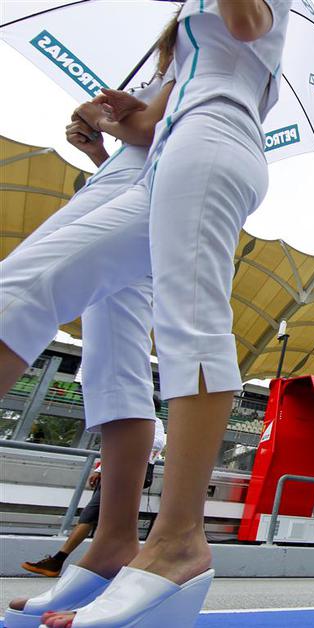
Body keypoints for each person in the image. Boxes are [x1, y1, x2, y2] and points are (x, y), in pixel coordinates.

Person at [0, 2, 291, 626]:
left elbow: (245, 26)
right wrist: (105, 126)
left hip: (214, 139)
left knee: (191, 322)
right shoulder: (182, 48)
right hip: (161, 162)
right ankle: (117, 544)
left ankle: (179, 538)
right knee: (21, 293)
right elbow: (152, 127)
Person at [4, 23, 177, 627]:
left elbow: (171, 130)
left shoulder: (210, 43)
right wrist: (98, 149)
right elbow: (144, 139)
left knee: (17, 291)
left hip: (150, 195)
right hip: (123, 188)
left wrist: (111, 122)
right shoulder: (169, 58)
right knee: (114, 368)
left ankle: (113, 544)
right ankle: (112, 544)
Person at [21, 400, 166, 579]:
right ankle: (122, 566)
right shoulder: (132, 421)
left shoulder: (152, 422)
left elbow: (155, 444)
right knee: (108, 517)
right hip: (117, 469)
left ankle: (59, 561)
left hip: (131, 470)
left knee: (93, 515)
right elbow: (113, 445)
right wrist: (100, 469)